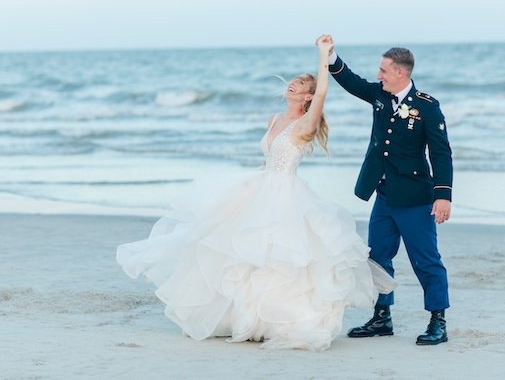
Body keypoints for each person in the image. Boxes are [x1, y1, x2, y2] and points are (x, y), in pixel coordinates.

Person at [116, 37, 396, 352]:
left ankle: (282, 319)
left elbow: (323, 93)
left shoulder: (306, 122)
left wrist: (324, 56)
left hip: (286, 193)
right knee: (242, 252)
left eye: (301, 83)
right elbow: (269, 157)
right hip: (262, 185)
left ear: (307, 96)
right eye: (294, 80)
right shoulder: (274, 120)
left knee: (279, 256)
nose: (294, 84)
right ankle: (245, 317)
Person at [316, 34, 453, 345]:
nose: (378, 75)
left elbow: (441, 153)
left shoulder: (427, 107)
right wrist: (331, 56)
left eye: (383, 70)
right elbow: (352, 82)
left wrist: (442, 196)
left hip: (416, 198)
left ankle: (438, 322)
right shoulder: (379, 95)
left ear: (400, 73)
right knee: (377, 257)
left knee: (425, 260)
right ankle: (382, 318)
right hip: (384, 196)